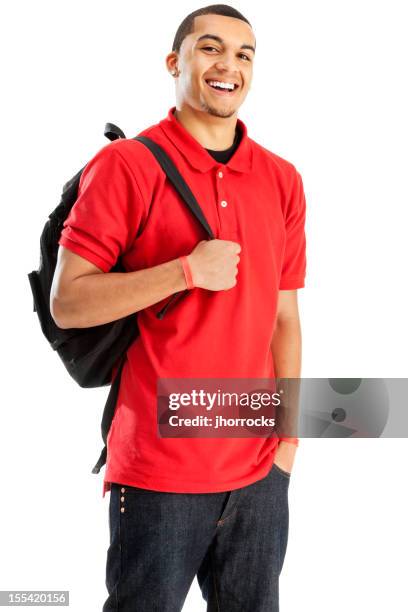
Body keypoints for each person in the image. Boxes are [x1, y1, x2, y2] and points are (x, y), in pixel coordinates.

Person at [50, 4, 307, 611]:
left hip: (259, 473)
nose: (229, 66)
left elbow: (285, 319)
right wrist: (186, 270)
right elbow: (68, 302)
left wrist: (288, 443)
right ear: (176, 61)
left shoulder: (282, 179)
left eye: (244, 55)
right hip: (157, 474)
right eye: (211, 48)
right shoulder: (127, 167)